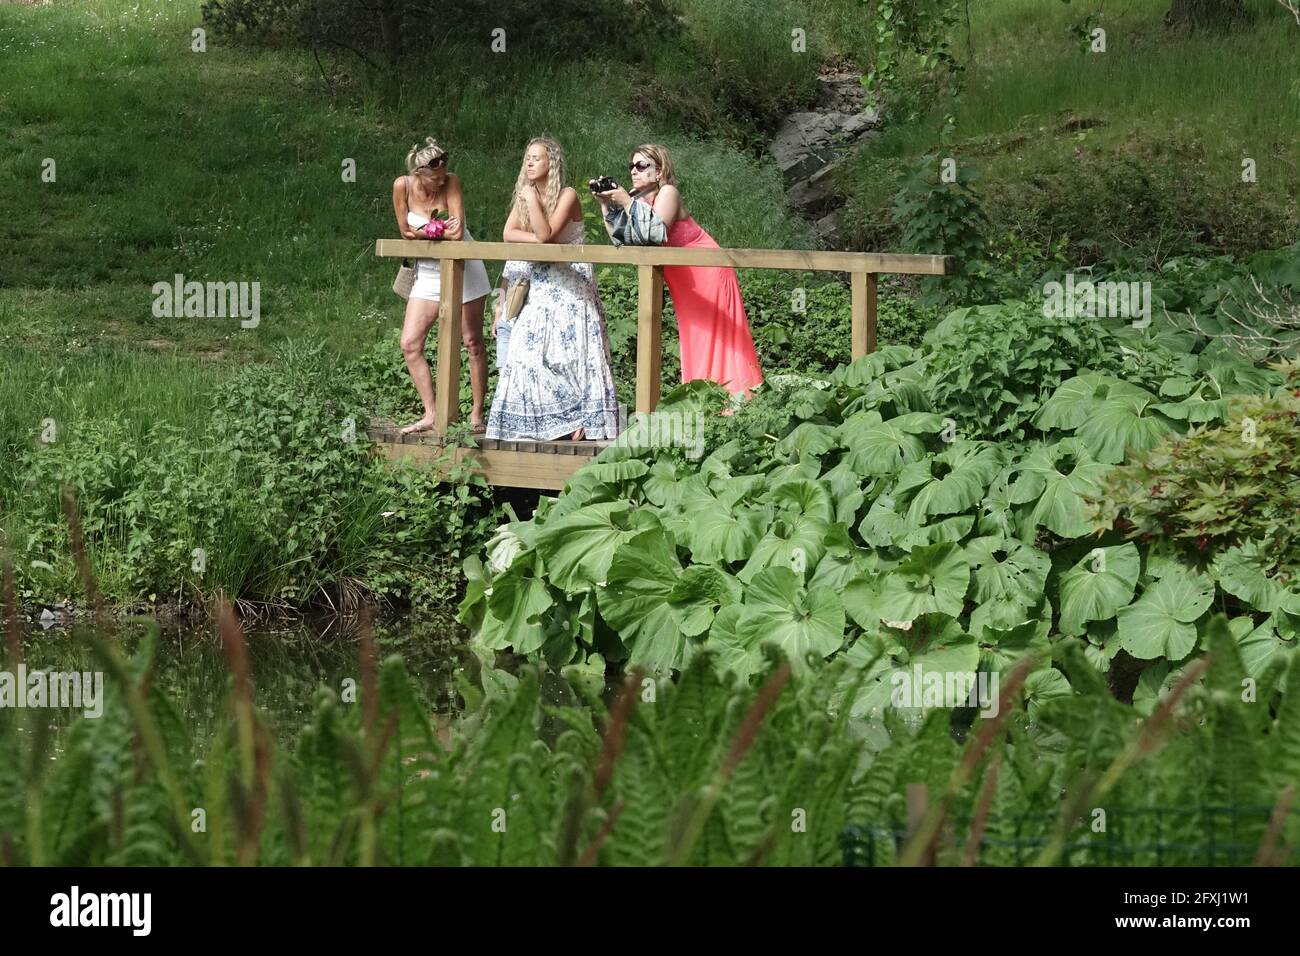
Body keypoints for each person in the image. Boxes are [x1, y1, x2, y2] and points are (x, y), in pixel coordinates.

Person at [593, 143, 763, 401]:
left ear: (659, 171)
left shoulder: (668, 192)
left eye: (641, 166)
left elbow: (653, 232)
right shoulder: (637, 199)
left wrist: (626, 201)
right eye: (632, 166)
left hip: (706, 273)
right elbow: (623, 238)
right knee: (695, 339)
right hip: (684, 279)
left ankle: (737, 401)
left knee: (717, 338)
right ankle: (707, 402)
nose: (634, 171)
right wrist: (607, 205)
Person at [486, 137, 620, 443]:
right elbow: (509, 234)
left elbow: (546, 235)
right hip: (539, 287)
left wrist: (532, 204)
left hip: (569, 290)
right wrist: (504, 299)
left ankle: (581, 421)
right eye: (527, 158)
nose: (530, 163)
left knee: (570, 356)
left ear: (552, 163)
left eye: (537, 158)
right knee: (525, 353)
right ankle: (540, 424)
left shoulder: (567, 195)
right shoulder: (526, 196)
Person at [391, 137, 492, 434]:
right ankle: (431, 412)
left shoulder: (452, 182)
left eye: (444, 175)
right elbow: (404, 233)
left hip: (464, 265)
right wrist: (431, 231)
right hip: (430, 272)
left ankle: (476, 414)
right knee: (410, 343)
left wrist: (425, 231)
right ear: (419, 174)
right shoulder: (402, 186)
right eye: (435, 178)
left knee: (472, 341)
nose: (441, 181)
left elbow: (457, 233)